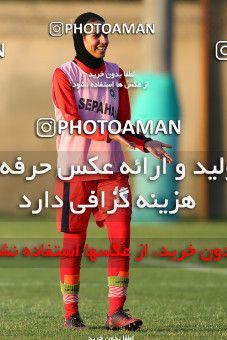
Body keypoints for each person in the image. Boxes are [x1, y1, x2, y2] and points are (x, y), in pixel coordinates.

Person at [52, 12, 173, 331]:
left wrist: (145, 142)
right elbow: (72, 121)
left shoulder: (116, 74)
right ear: (80, 38)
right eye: (95, 35)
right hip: (74, 171)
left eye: (105, 34)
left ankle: (116, 313)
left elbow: (123, 124)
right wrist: (111, 133)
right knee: (74, 243)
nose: (103, 39)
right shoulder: (63, 75)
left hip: (113, 171)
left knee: (120, 239)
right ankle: (71, 313)